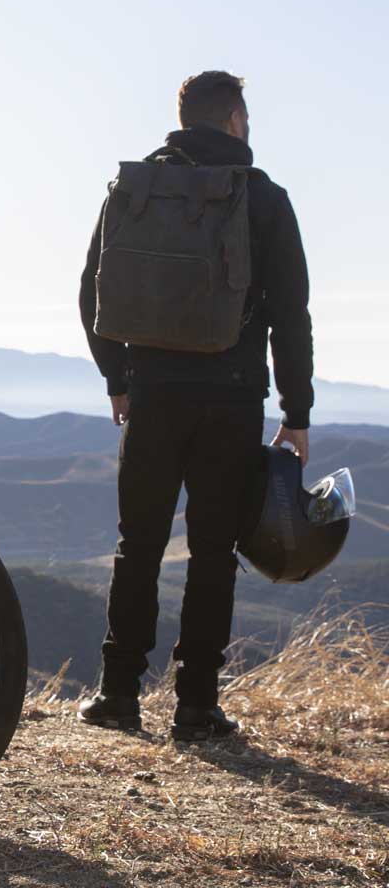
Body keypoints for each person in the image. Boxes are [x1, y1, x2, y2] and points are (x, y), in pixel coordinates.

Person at [76, 71, 314, 741]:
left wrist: (118, 377)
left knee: (139, 545)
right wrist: (296, 413)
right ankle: (196, 706)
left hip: (152, 394)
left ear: (183, 119)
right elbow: (291, 316)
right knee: (213, 551)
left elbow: (92, 291)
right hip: (233, 399)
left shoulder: (135, 189)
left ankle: (118, 695)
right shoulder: (263, 199)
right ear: (235, 119)